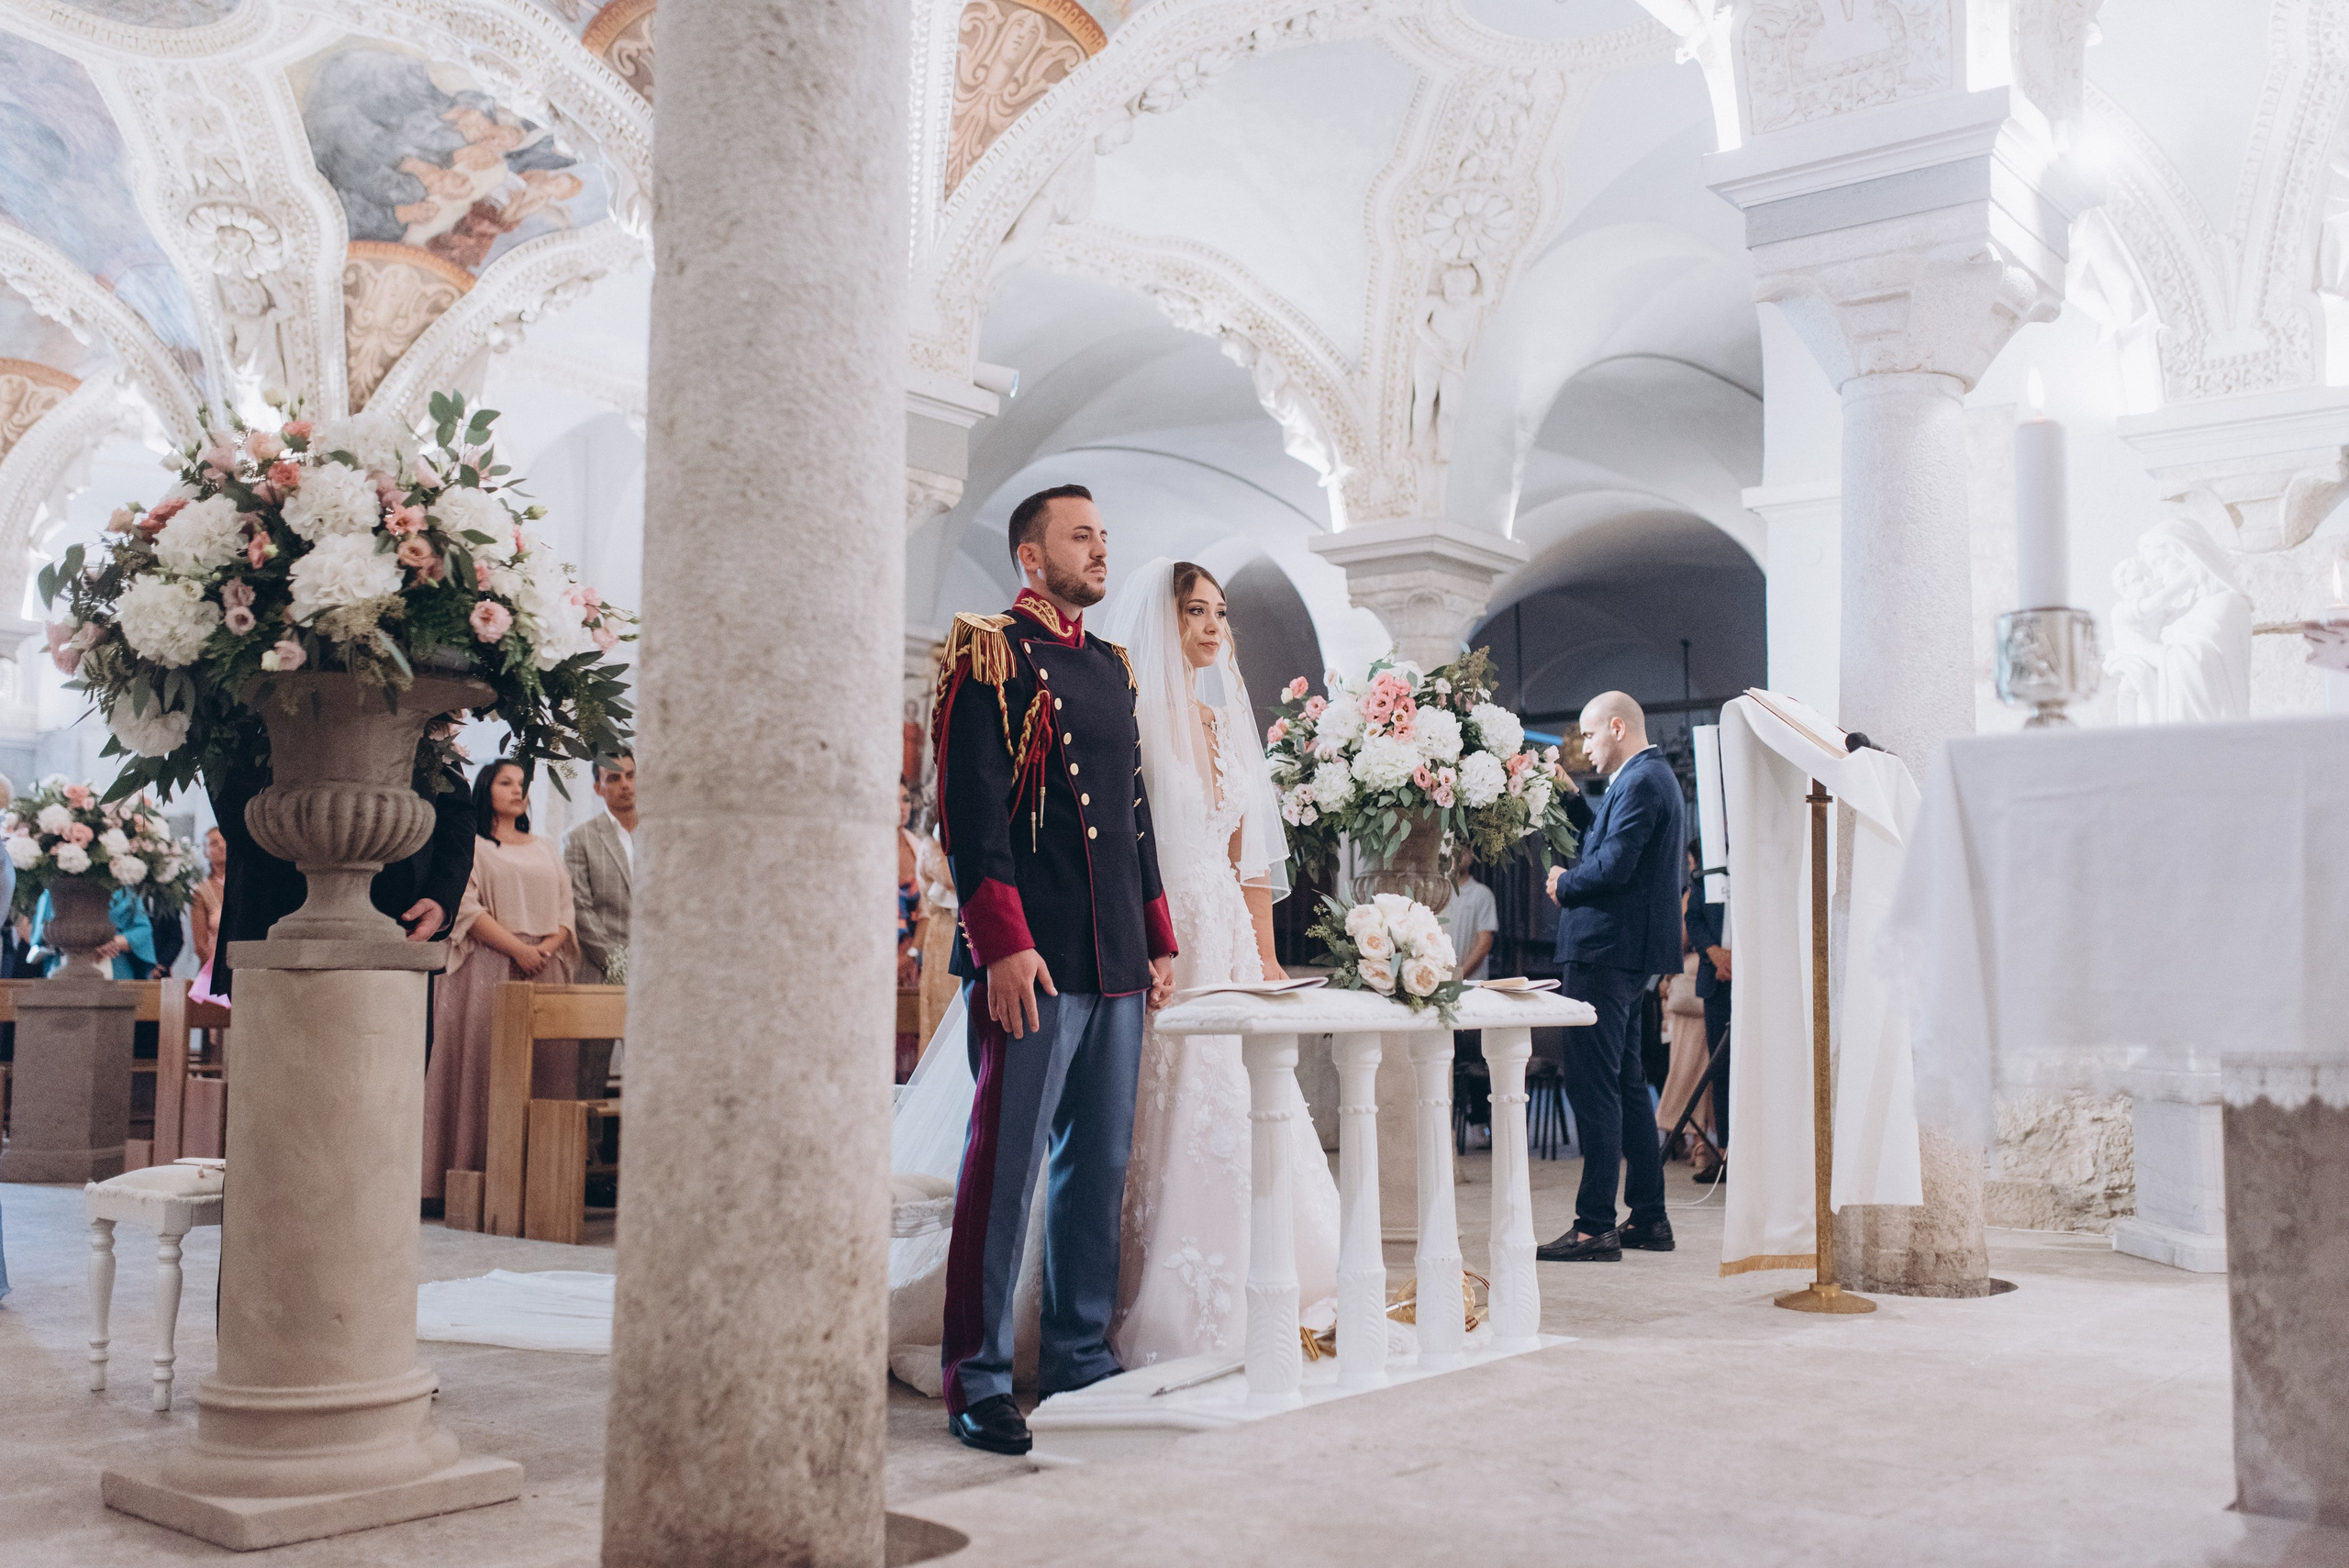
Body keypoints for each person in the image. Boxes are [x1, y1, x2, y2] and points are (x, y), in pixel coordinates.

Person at [930, 483, 1176, 1456]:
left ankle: (1077, 1350)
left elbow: (1134, 811)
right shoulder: (989, 649)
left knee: (1098, 1164)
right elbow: (970, 808)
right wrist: (1000, 941)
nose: (1101, 549)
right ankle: (977, 1375)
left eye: (1105, 535)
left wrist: (1155, 931)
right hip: (1030, 951)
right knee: (1005, 1165)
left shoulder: (1110, 666)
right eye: (1082, 536)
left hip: (1111, 948)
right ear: (1032, 558)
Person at [1100, 557, 1338, 1371]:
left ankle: (1275, 1276)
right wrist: (1146, 939)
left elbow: (1251, 862)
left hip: (1228, 939)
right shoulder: (1131, 718)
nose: (1212, 626)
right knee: (1168, 1102)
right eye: (1195, 611)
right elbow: (1125, 848)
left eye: (1220, 612)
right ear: (1162, 622)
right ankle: (1152, 1290)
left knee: (1243, 1100)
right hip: (1164, 930)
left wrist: (1267, 957)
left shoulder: (1223, 723)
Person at [1539, 691, 1685, 1262]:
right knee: (1624, 1088)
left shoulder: (1643, 780)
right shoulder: (1645, 778)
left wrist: (1562, 883)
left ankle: (1594, 1225)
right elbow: (1606, 836)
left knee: (1593, 1088)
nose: (1583, 747)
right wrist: (1568, 796)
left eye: (1589, 735)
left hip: (1605, 952)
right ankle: (1649, 1218)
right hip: (1621, 953)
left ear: (1617, 727)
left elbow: (1613, 865)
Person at [422, 758, 578, 1204]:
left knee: (545, 1070)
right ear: (486, 788)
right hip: (488, 965)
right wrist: (518, 949)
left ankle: (542, 1177)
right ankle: (467, 1178)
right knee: (483, 1068)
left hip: (545, 966)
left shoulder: (546, 847)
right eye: (506, 782)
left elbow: (566, 910)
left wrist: (545, 948)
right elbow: (467, 909)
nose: (517, 790)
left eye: (522, 784)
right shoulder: (474, 844)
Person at [1680, 837, 1731, 1183]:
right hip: (1717, 982)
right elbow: (1693, 918)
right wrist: (1715, 953)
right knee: (1721, 1069)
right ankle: (1726, 1151)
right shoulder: (1707, 875)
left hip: (1751, 978)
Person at [563, 751, 635, 985]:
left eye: (631, 775)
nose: (625, 785)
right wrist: (618, 964)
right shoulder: (580, 838)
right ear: (598, 788)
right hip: (602, 973)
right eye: (614, 778)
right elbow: (580, 908)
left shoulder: (661, 834)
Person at [28, 884, 155, 977]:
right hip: (65, 965)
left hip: (115, 964)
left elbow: (143, 929)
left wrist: (114, 941)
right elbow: (41, 934)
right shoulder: (55, 889)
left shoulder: (123, 890)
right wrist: (85, 942)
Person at [1443, 848, 1498, 982]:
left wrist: (1458, 976)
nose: (1458, 855)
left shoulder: (1482, 894)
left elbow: (1484, 943)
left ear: (1472, 856)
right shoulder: (1439, 892)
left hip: (1472, 984)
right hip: (1437, 981)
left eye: (1463, 849)